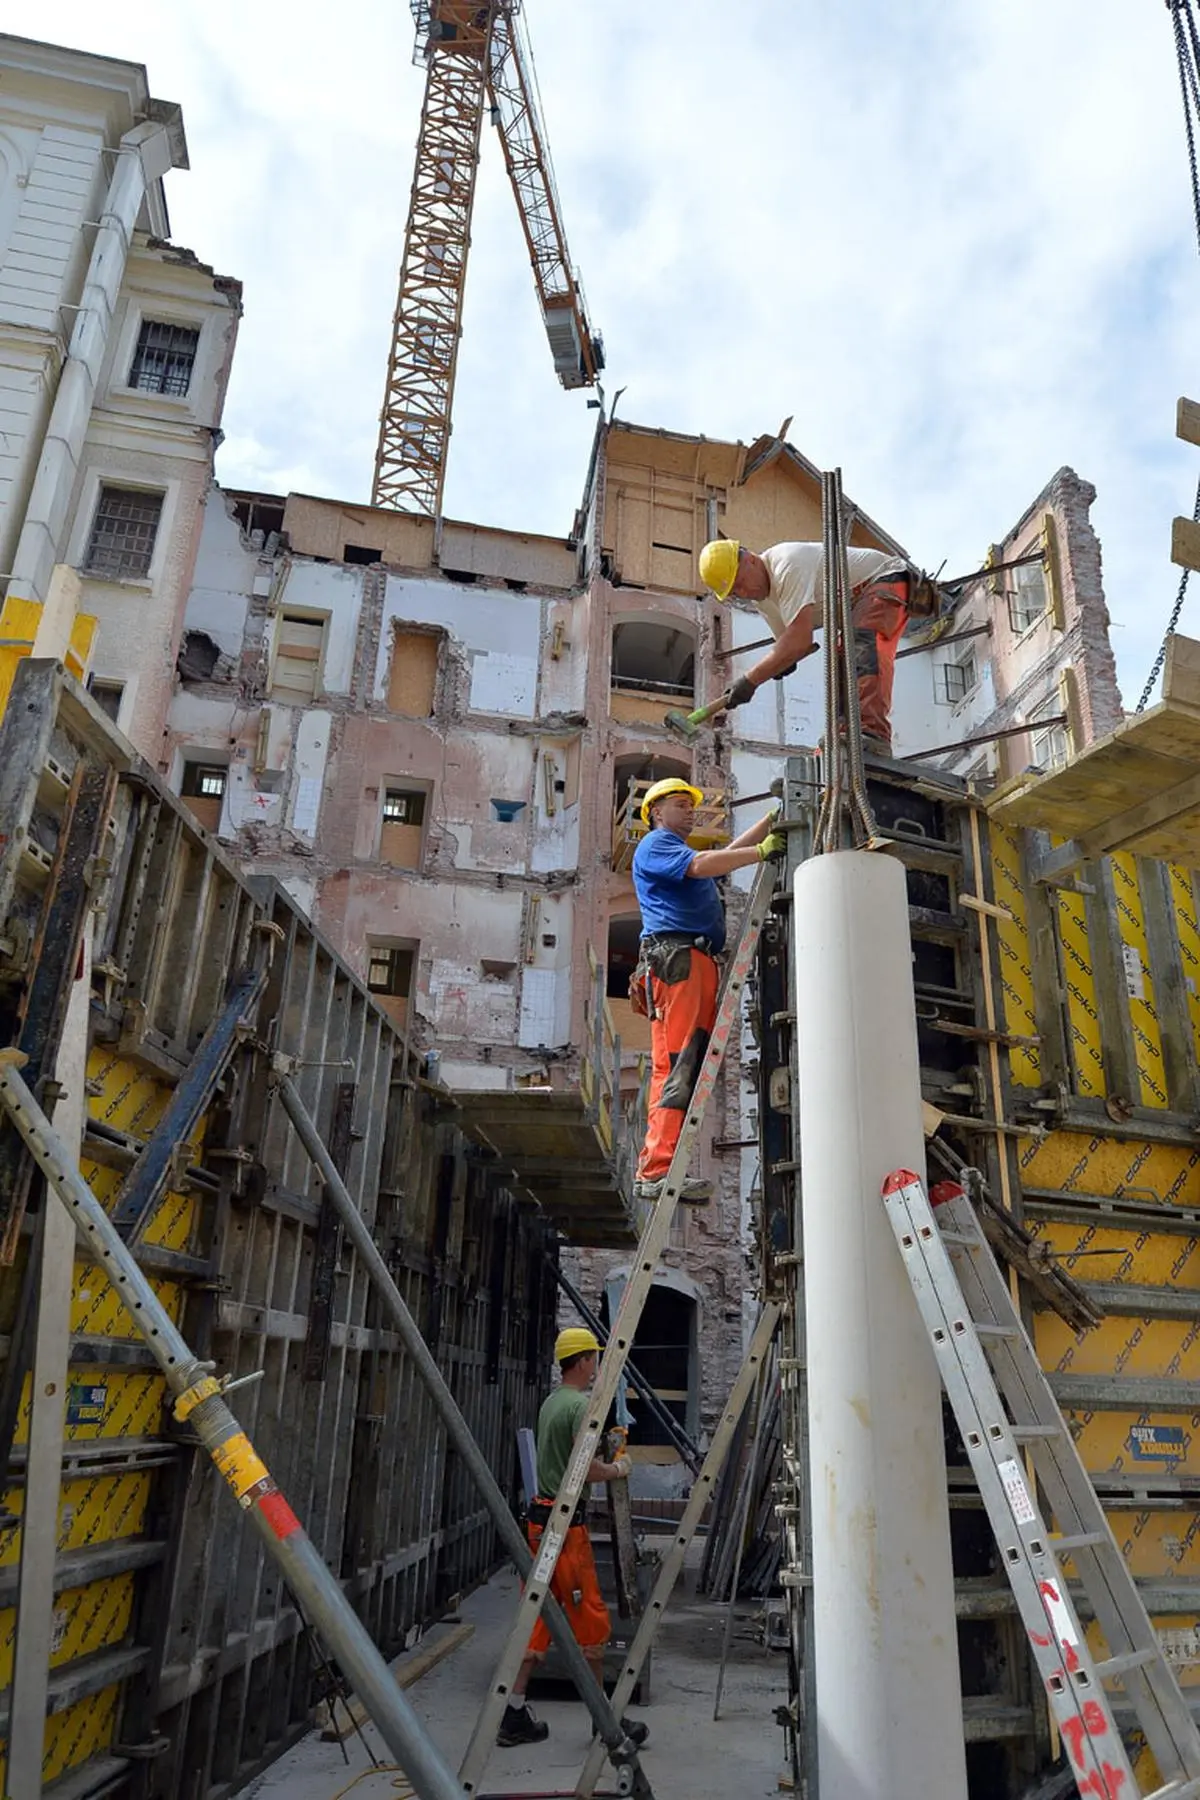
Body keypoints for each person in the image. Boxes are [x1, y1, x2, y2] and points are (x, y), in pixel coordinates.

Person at [630, 778, 784, 1203]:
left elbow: (724, 854)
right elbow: (706, 864)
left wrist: (770, 823)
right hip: (679, 960)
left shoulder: (677, 852)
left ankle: (659, 1166)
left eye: (691, 805)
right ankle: (658, 1169)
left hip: (687, 962)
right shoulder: (659, 845)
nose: (691, 811)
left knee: (680, 1067)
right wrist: (760, 852)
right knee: (679, 1066)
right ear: (657, 813)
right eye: (682, 804)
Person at [497, 1326, 649, 1750]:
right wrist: (618, 1468)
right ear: (583, 1361)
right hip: (566, 1533)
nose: (597, 1365)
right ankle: (605, 1722)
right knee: (591, 1624)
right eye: (594, 1358)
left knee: (539, 1615)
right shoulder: (581, 1407)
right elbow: (584, 1468)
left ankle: (513, 1711)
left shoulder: (552, 1403)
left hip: (540, 1526)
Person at [697, 538, 938, 754]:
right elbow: (791, 645)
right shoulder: (765, 603)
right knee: (841, 658)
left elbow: (799, 640)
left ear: (749, 559)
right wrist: (782, 662)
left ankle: (872, 733)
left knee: (862, 645)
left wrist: (750, 680)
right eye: (735, 592)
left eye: (740, 583)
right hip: (855, 605)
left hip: (885, 579)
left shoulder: (786, 563)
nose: (744, 592)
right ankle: (845, 737)